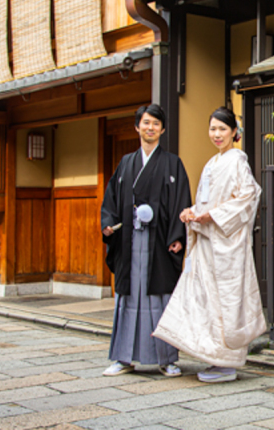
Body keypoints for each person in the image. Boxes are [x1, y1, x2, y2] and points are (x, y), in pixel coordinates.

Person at [153, 106, 267, 383]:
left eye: (222, 129)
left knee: (226, 301)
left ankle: (226, 363)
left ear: (234, 132)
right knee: (205, 300)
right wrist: (191, 212)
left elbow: (248, 197)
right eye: (213, 129)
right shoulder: (212, 163)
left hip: (226, 245)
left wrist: (212, 216)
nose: (216, 134)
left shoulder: (237, 160)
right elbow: (209, 201)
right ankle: (214, 358)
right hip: (208, 242)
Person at [100, 103, 192, 378]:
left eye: (156, 124)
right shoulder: (126, 163)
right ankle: (123, 358)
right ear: (137, 126)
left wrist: (177, 236)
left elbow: (181, 200)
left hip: (159, 242)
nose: (150, 128)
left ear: (162, 129)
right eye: (146, 122)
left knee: (160, 297)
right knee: (128, 297)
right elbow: (111, 200)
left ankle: (167, 358)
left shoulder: (172, 163)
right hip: (129, 241)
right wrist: (108, 224)